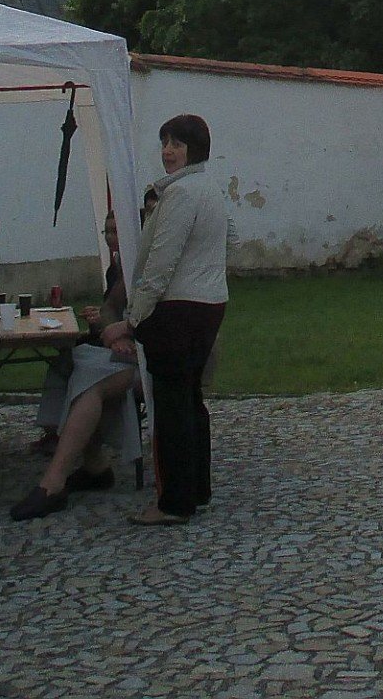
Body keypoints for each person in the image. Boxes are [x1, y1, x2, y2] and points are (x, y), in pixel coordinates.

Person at [103, 113, 227, 526]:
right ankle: (197, 489)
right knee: (190, 399)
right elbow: (233, 239)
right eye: (165, 143)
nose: (168, 152)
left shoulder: (181, 195)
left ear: (195, 149)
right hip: (208, 301)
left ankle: (173, 501)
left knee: (171, 404)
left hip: (176, 307)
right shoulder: (209, 188)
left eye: (176, 144)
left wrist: (132, 318)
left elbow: (160, 262)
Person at [8, 210, 137, 521]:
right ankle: (87, 459)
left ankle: (54, 480)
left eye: (116, 230)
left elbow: (147, 315)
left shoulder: (141, 267)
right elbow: (114, 314)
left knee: (88, 378)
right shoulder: (119, 268)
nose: (112, 237)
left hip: (144, 356)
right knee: (66, 363)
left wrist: (120, 331)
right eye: (107, 231)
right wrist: (105, 326)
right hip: (118, 346)